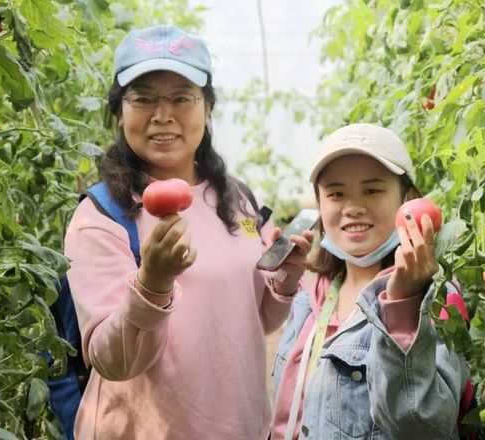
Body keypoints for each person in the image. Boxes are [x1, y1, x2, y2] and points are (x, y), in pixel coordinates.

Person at [63, 25, 311, 440]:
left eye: (181, 97)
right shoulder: (103, 217)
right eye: (143, 99)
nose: (163, 116)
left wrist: (287, 277)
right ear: (120, 110)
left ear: (207, 108)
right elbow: (113, 362)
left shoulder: (236, 198)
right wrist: (153, 283)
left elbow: (259, 319)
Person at [269, 123, 471, 439]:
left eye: (372, 190)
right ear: (320, 206)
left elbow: (426, 428)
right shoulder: (311, 300)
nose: (353, 207)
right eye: (336, 193)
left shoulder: (436, 300)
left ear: (408, 199)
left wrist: (404, 302)